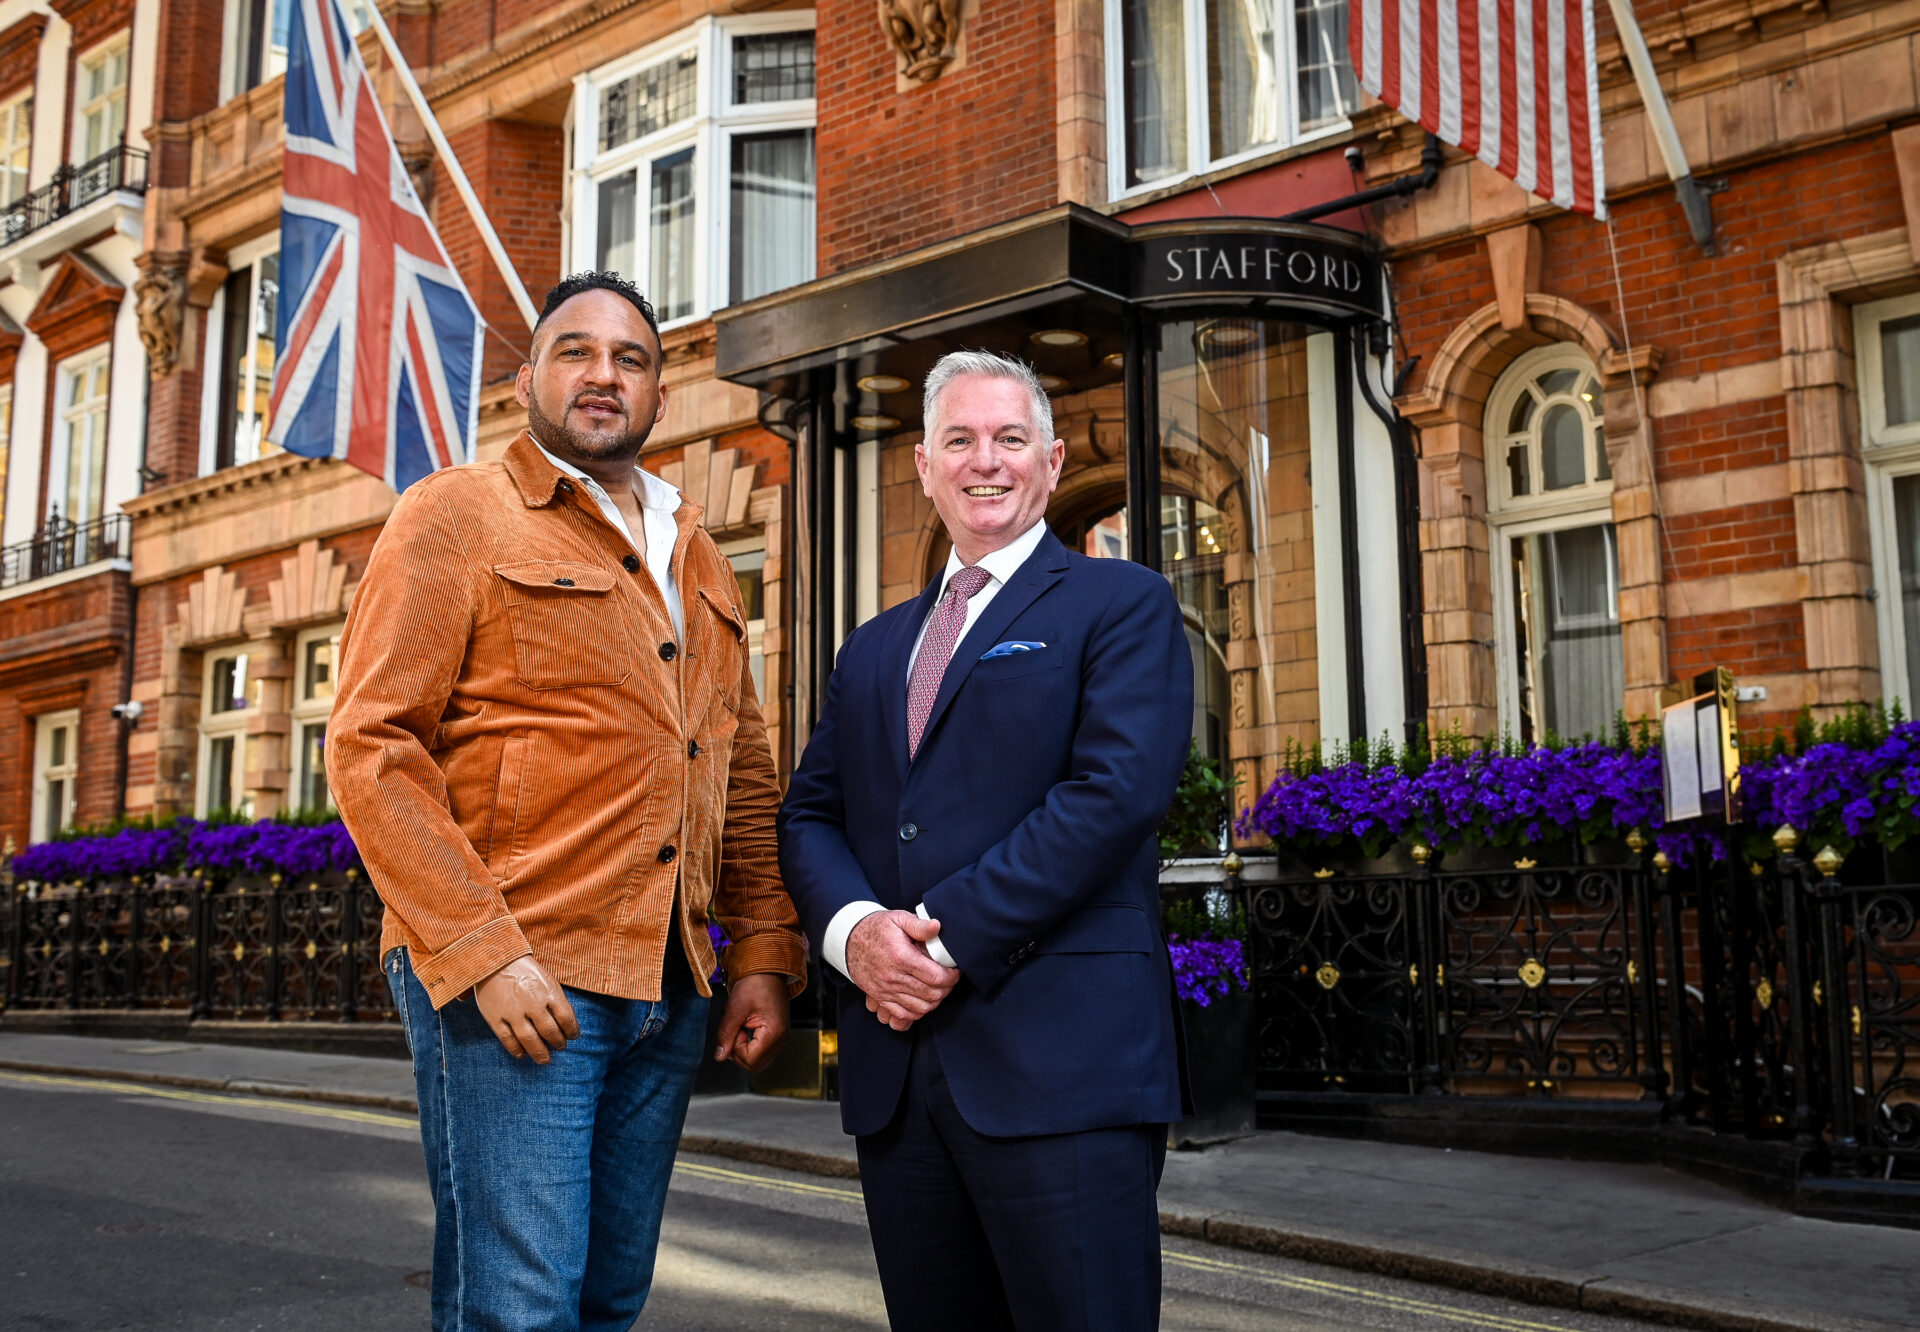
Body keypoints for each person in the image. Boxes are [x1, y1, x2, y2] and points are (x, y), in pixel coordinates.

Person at [328, 271, 806, 1332]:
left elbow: (744, 770)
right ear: (526, 381)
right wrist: (483, 950)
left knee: (606, 1299)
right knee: (520, 1308)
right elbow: (372, 746)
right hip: (521, 975)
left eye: (630, 358)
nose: (604, 374)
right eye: (576, 352)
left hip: (669, 985)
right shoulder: (455, 515)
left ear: (659, 396)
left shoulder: (700, 555)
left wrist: (767, 951)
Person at [777, 349, 1194, 1330]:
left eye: (1010, 439)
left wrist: (940, 936)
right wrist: (857, 939)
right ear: (924, 466)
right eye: (960, 440)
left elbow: (1113, 796)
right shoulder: (875, 648)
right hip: (901, 1077)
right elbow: (811, 815)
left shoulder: (1120, 605)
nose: (986, 461)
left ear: (1050, 464)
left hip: (1065, 1072)